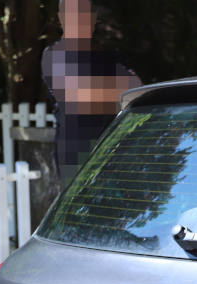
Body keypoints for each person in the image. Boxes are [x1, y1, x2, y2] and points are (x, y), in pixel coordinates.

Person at [42, 0, 141, 184]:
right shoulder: (53, 55)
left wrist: (93, 91)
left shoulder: (106, 56)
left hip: (109, 153)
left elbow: (135, 86)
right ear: (61, 18)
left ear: (93, 18)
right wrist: (113, 91)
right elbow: (76, 97)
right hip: (74, 159)